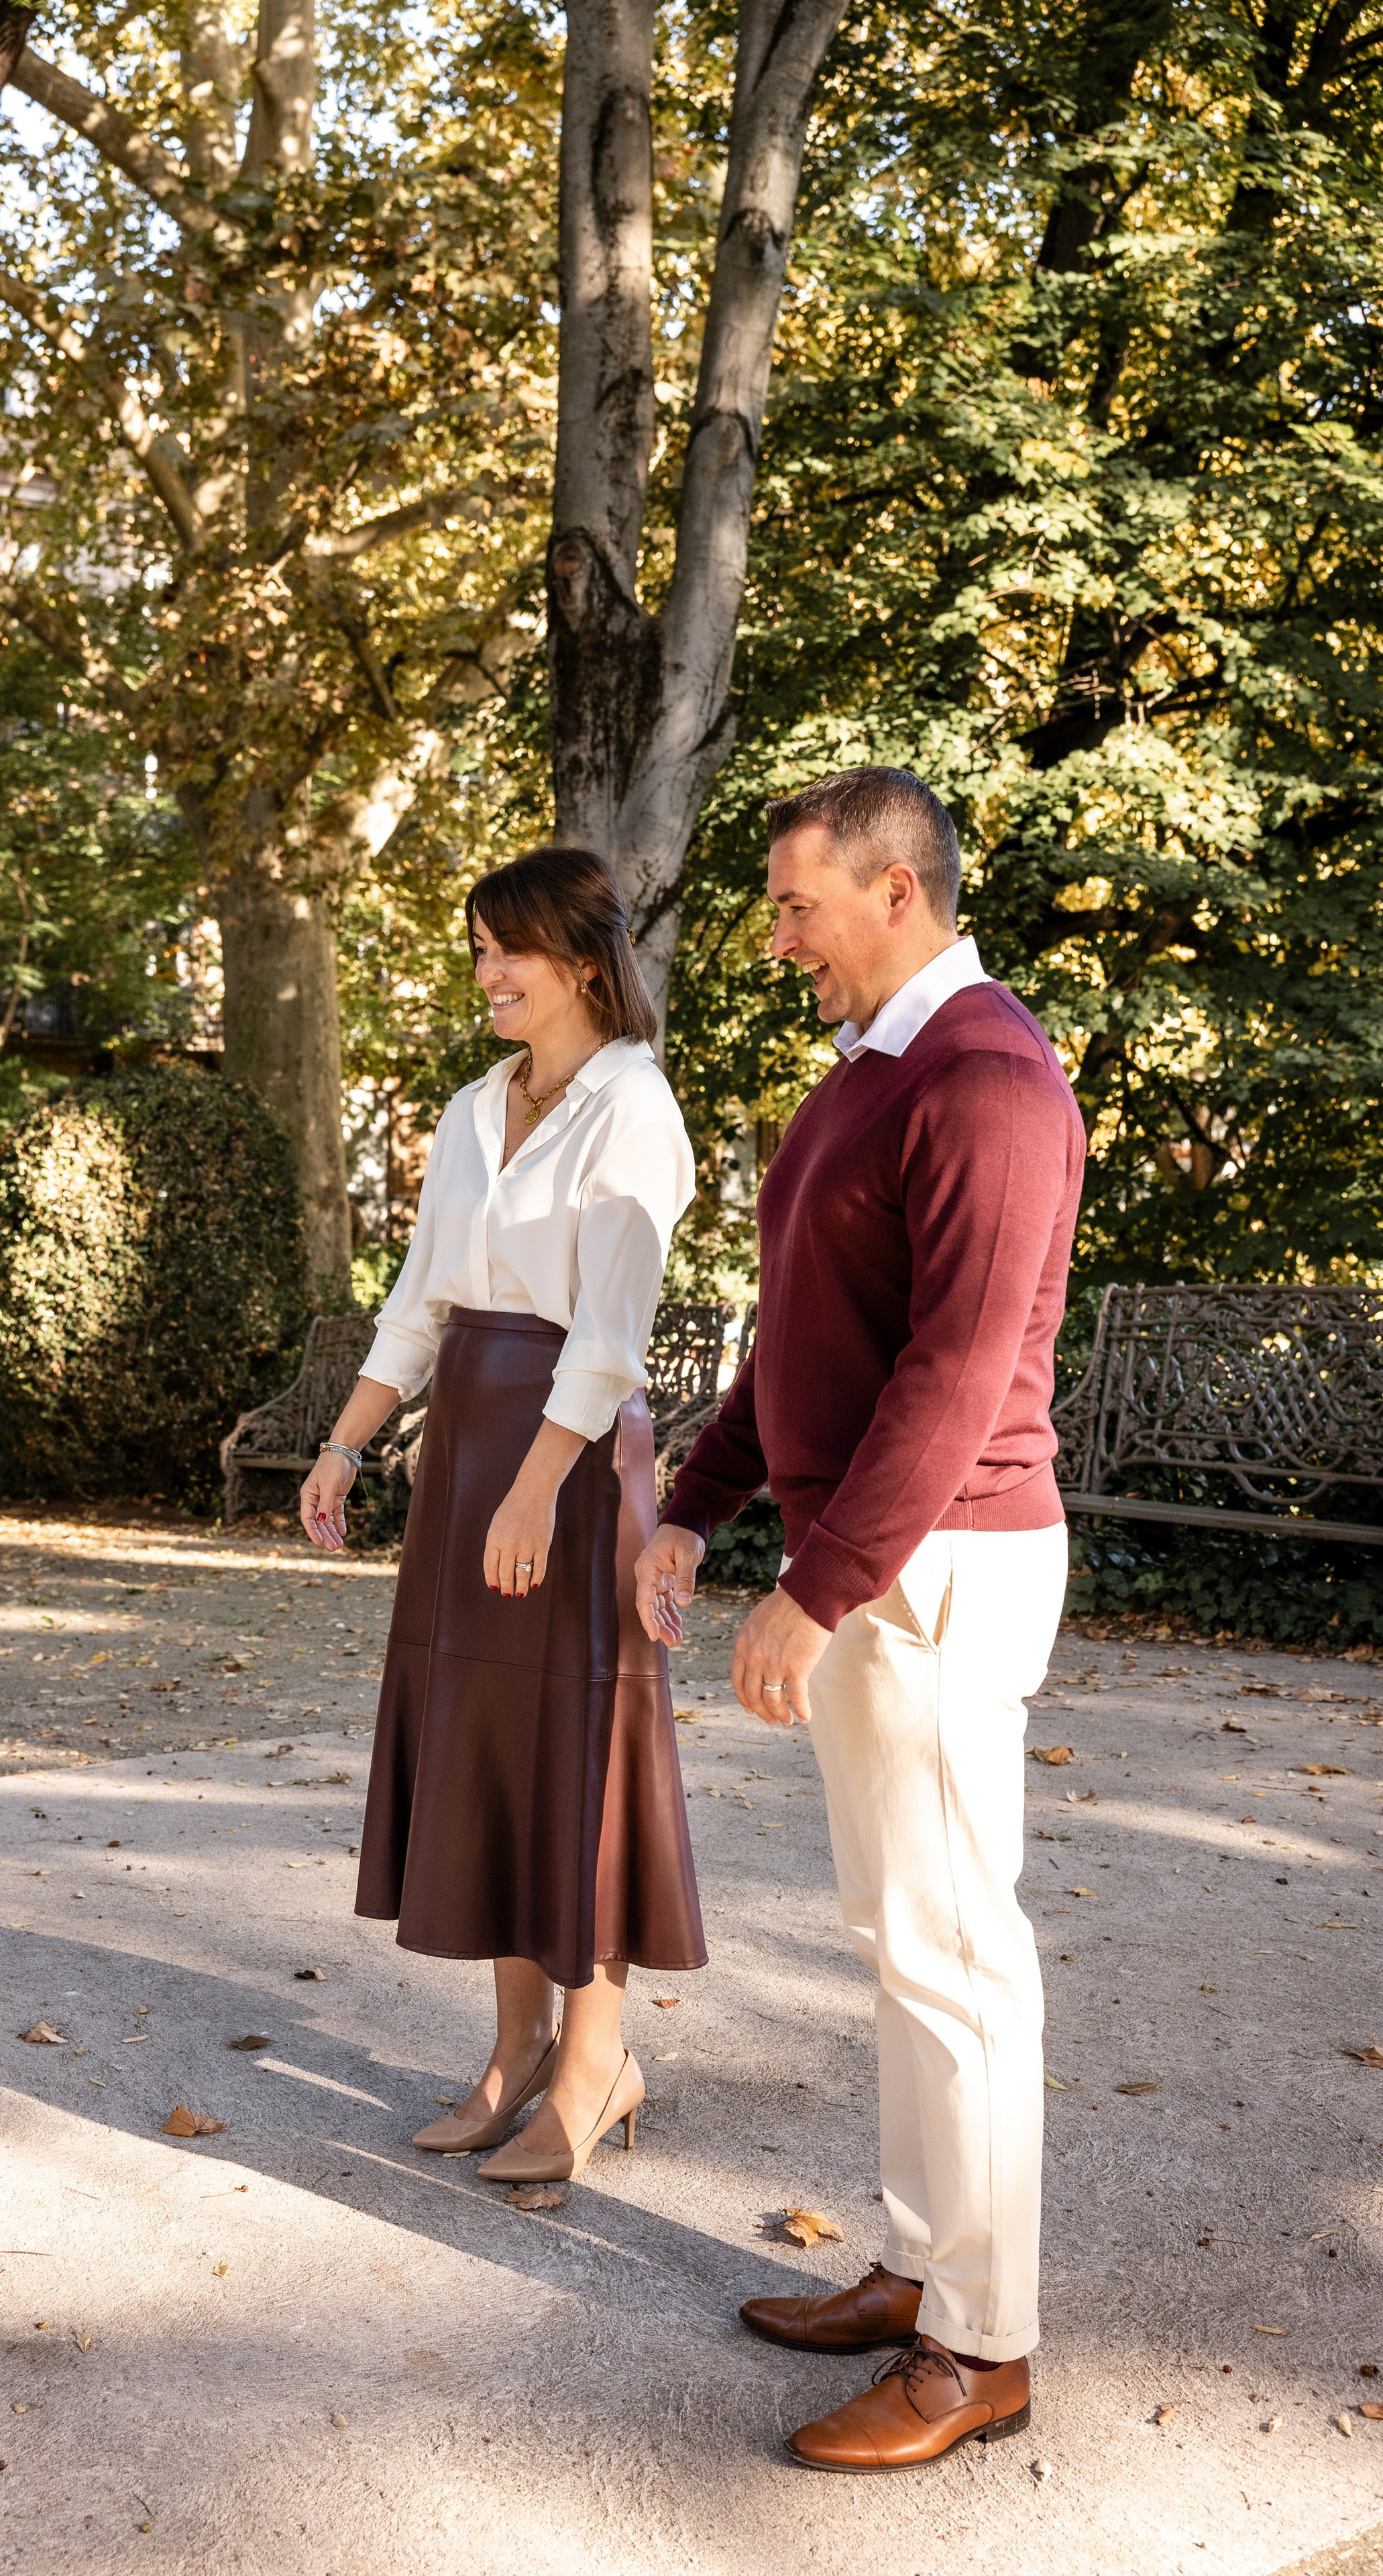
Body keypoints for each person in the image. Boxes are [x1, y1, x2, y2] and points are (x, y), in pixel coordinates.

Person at [634, 767, 1085, 2473]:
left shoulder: (982, 1080)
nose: (778, 938)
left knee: (958, 1954)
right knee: (904, 1942)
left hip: (941, 1563)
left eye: (795, 906)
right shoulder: (871, 1076)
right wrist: (696, 1501)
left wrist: (816, 1589)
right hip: (875, 1553)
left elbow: (956, 1375)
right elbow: (802, 1342)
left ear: (896, 892)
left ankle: (981, 2347)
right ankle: (919, 2266)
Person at [300, 845, 706, 2184]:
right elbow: (419, 1297)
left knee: (572, 1760)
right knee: (486, 1746)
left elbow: (608, 1331)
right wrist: (346, 1448)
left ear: (581, 960)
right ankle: (513, 2051)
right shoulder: (475, 1107)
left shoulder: (631, 1109)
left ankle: (598, 2065)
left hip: (568, 1459)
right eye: (473, 950)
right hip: (469, 1447)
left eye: (503, 951)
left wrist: (537, 1484)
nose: (482, 974)